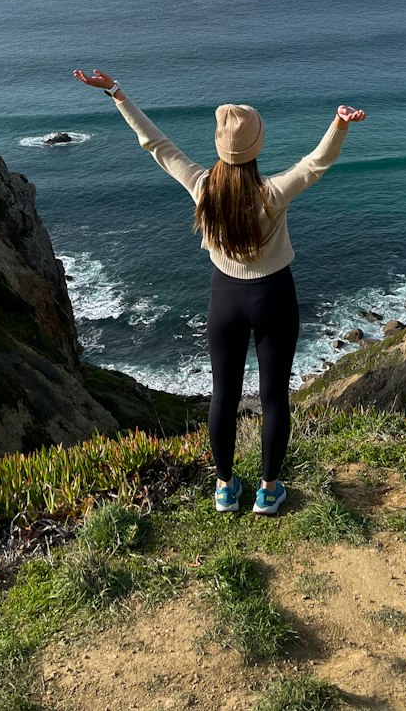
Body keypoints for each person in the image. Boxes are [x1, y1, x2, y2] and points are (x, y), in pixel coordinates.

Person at [73, 67, 366, 515]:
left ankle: (225, 488)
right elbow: (314, 166)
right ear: (257, 146)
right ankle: (269, 490)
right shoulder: (272, 194)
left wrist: (116, 93)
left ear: (219, 146)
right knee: (273, 398)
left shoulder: (202, 187)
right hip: (273, 297)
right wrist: (338, 124)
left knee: (223, 396)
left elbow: (156, 145)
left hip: (224, 299)